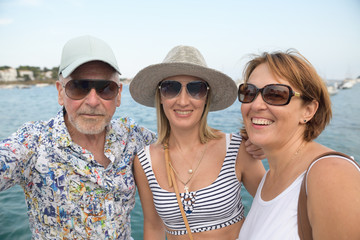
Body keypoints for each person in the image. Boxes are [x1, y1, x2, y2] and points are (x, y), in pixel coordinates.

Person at [0, 35, 157, 239]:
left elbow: (181, 147)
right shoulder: (33, 143)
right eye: (79, 87)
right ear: (60, 92)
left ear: (118, 95)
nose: (92, 101)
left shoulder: (133, 137)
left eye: (105, 88)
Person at [130, 45, 265, 240]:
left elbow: (273, 204)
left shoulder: (237, 148)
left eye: (196, 89)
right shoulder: (144, 161)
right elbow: (153, 227)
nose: (183, 101)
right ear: (160, 96)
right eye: (171, 88)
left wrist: (272, 148)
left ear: (206, 96)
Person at [237, 50, 360, 239]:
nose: (256, 105)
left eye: (276, 94)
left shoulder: (331, 174)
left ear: (308, 111)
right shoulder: (268, 179)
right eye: (249, 92)